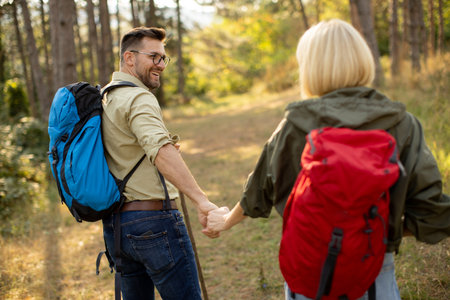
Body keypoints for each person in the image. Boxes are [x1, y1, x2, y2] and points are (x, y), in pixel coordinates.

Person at [207, 19, 450, 300]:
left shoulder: (295, 124)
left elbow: (260, 189)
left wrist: (225, 221)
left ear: (309, 68)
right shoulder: (403, 124)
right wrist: (383, 232)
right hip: (374, 270)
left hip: (310, 266)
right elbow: (433, 213)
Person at [101, 26, 219, 300]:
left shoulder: (106, 96)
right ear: (129, 58)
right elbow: (161, 151)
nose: (161, 65)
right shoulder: (138, 97)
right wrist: (202, 201)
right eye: (154, 57)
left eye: (163, 58)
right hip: (154, 223)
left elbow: (127, 149)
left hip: (117, 227)